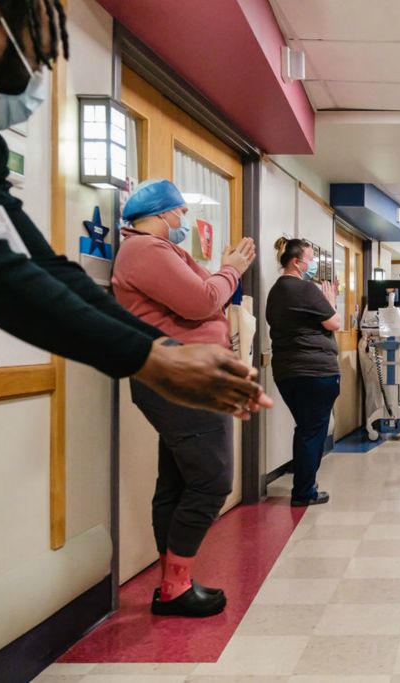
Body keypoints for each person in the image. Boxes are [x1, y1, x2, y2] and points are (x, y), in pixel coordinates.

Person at [0, 0, 270, 417]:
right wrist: (152, 360)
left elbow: (48, 268)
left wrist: (161, 349)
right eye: (38, 58)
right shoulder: (145, 250)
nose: (38, 78)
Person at [112, 179, 256, 618]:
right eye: (179, 213)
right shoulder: (144, 251)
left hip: (186, 376)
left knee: (177, 482)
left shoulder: (163, 251)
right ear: (161, 214)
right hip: (181, 379)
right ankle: (175, 587)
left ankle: (173, 584)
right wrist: (230, 268)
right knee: (212, 480)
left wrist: (219, 283)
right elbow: (202, 301)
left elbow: (208, 299)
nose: (183, 221)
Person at [266, 237, 341, 507]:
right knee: (313, 431)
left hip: (287, 372)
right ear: (297, 262)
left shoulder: (276, 292)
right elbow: (334, 322)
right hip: (315, 372)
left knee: (305, 429)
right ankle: (303, 492)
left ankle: (304, 484)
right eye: (311, 259)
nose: (313, 265)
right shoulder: (305, 289)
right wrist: (330, 300)